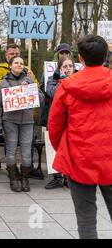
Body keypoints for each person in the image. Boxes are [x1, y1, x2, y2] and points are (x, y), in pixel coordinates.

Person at [48, 35, 112, 239]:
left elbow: (55, 125)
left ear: (81, 59)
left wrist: (64, 149)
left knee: (85, 218)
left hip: (79, 157)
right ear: (105, 56)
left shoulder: (67, 86)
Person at [0, 56, 44, 193]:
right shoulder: (2, 83)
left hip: (27, 121)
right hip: (9, 121)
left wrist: (31, 87)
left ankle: (25, 178)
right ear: (10, 65)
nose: (19, 65)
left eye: (21, 63)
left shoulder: (29, 79)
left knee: (27, 152)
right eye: (16, 62)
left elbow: (41, 99)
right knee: (11, 150)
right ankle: (13, 178)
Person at [44, 57, 75, 190]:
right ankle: (57, 177)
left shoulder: (79, 79)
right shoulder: (52, 80)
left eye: (70, 66)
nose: (68, 69)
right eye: (65, 67)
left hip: (73, 121)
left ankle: (70, 177)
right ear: (59, 69)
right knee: (55, 147)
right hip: (58, 120)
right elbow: (53, 93)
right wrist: (63, 80)